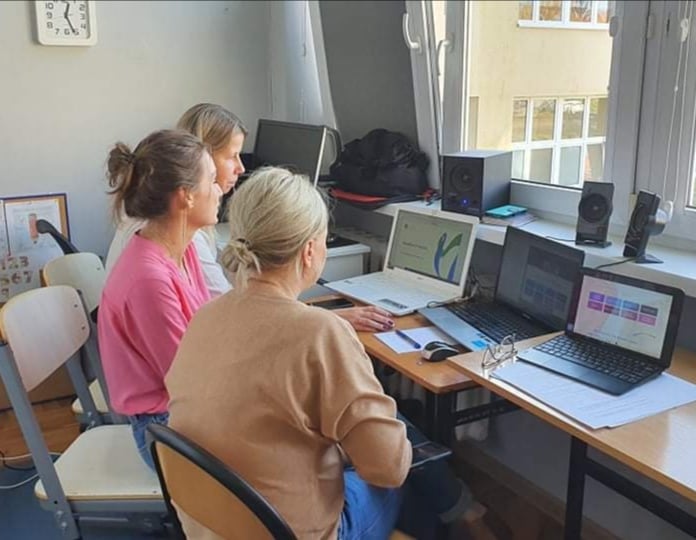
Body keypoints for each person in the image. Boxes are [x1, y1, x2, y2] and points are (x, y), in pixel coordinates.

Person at [166, 167, 500, 539]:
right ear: (310, 251)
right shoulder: (320, 333)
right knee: (405, 477)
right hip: (291, 531)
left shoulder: (206, 316)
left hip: (210, 522)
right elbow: (387, 469)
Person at [105, 103, 393, 332]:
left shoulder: (167, 232)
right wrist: (327, 320)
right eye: (232, 156)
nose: (241, 169)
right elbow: (235, 318)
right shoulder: (176, 246)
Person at [98, 129, 221, 469]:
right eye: (212, 181)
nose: (220, 190)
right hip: (165, 429)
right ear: (186, 196)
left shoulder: (182, 251)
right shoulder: (148, 281)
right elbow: (191, 381)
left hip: (185, 409)